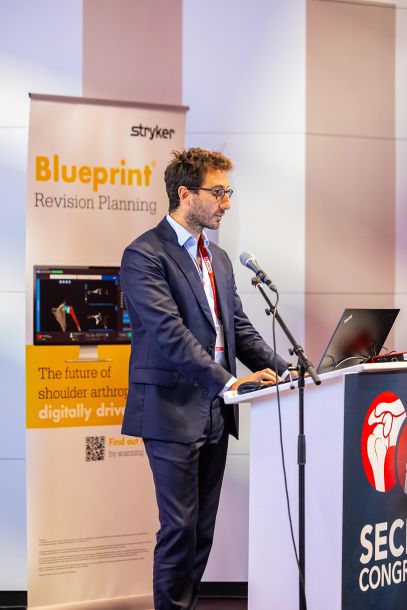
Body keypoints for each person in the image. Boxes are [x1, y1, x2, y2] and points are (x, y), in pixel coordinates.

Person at [120, 148, 288, 610]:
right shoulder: (144, 255)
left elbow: (239, 330)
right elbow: (170, 335)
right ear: (185, 193)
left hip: (216, 409)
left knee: (201, 531)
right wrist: (229, 383)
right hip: (171, 410)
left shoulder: (220, 258)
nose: (226, 203)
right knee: (179, 528)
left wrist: (292, 369)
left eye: (228, 192)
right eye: (217, 193)